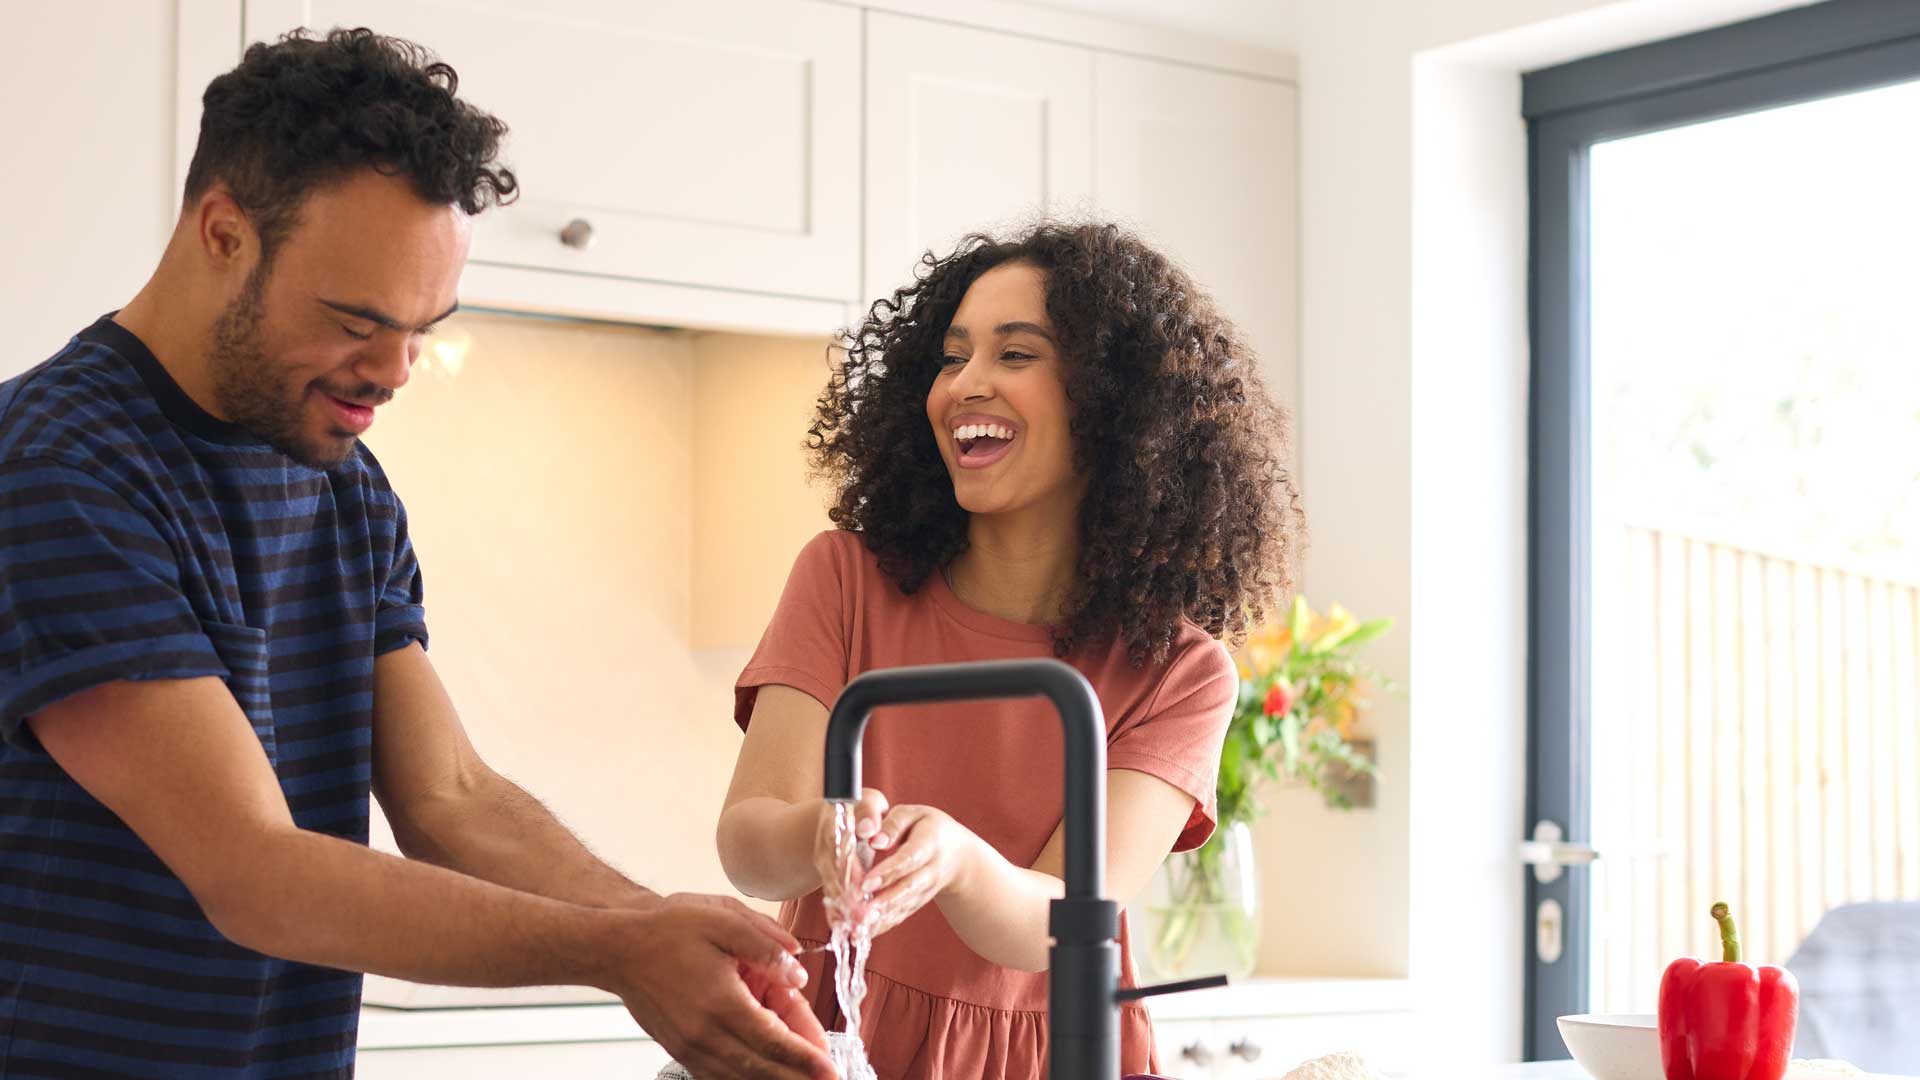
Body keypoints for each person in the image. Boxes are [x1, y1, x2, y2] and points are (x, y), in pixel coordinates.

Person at [0, 28, 834, 1080]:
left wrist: (660, 920)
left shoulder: (343, 478)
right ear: (223, 234)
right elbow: (252, 870)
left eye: (424, 328)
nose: (395, 372)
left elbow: (450, 798)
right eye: (359, 320)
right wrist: (613, 951)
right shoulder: (58, 468)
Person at [715, 221, 1303, 1078]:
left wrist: (952, 860)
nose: (966, 386)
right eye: (952, 358)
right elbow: (747, 838)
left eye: (1016, 356)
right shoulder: (844, 579)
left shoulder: (1180, 673)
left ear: (1112, 405)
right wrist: (824, 836)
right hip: (828, 1035)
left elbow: (1056, 926)